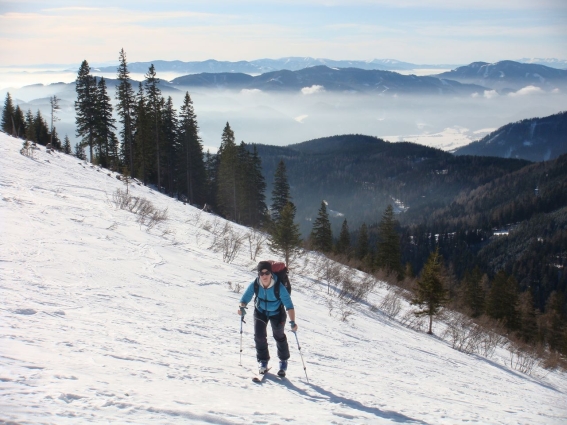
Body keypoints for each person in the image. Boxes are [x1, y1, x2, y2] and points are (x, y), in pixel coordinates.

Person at [238, 260, 298, 377]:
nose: (264, 276)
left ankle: (283, 361)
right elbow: (244, 299)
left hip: (277, 312)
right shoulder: (255, 284)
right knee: (259, 336)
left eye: (267, 273)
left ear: (271, 273)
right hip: (260, 311)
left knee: (279, 336)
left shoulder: (279, 287)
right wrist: (241, 308)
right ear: (258, 274)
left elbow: (289, 306)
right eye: (261, 273)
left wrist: (292, 322)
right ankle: (263, 361)